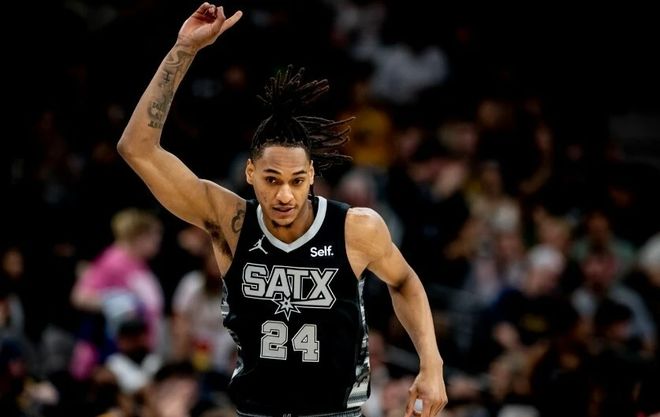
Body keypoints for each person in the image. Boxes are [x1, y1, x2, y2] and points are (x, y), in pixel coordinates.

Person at [117, 3, 448, 416]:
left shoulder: (355, 228)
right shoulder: (232, 222)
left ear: (311, 176)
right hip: (257, 410)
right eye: (272, 180)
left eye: (296, 180)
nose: (285, 195)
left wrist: (432, 364)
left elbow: (405, 281)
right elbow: (137, 149)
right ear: (251, 173)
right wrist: (184, 49)